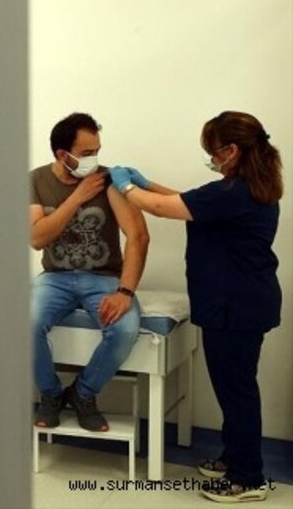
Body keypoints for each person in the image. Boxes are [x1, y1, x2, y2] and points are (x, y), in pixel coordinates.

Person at [109, 111, 282, 503]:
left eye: (214, 152)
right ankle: (234, 458)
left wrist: (126, 186)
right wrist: (144, 183)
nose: (212, 159)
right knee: (233, 387)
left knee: (236, 392)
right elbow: (183, 201)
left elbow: (161, 208)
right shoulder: (246, 188)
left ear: (232, 150)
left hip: (235, 307)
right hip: (242, 302)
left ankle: (247, 478)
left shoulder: (234, 193)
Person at [30, 113, 150, 432]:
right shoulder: (36, 180)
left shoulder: (109, 180)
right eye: (86, 153)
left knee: (124, 330)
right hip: (54, 278)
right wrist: (78, 197)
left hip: (104, 278)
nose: (94, 160)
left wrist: (125, 292)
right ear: (62, 154)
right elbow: (37, 237)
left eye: (97, 151)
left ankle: (83, 393)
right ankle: (51, 395)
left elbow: (138, 236)